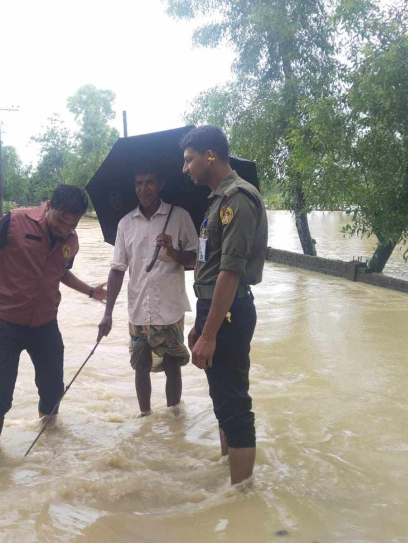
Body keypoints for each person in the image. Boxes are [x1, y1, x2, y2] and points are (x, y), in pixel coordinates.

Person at [0, 185, 107, 449]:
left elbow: (61, 272)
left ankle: (48, 449)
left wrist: (91, 291)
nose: (64, 229)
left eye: (72, 224)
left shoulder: (71, 241)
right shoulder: (14, 222)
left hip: (45, 324)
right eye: (60, 220)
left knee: (53, 390)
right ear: (48, 205)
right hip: (5, 323)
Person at [181, 126, 268, 485]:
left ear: (210, 156)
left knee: (233, 401)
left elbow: (230, 273)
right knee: (222, 398)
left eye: (189, 160)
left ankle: (242, 493)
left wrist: (211, 332)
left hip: (229, 310)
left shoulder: (238, 199)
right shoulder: (217, 200)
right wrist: (201, 325)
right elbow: (211, 266)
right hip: (216, 309)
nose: (185, 168)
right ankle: (228, 470)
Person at [97, 167, 197, 416]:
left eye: (149, 182)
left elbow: (196, 260)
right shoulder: (125, 223)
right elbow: (118, 269)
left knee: (173, 365)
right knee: (140, 365)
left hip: (170, 307)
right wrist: (107, 313)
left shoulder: (179, 217)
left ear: (160, 184)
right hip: (138, 307)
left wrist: (173, 251)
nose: (143, 189)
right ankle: (145, 419)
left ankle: (175, 416)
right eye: (139, 183)